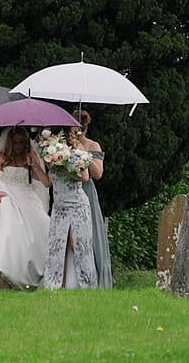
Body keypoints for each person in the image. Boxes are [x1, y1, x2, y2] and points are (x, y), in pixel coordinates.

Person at [0, 126, 52, 288]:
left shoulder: (30, 158)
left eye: (21, 142)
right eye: (15, 142)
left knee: (43, 228)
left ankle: (28, 276)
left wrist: (35, 165)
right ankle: (5, 279)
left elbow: (46, 182)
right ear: (10, 142)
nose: (18, 146)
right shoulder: (1, 157)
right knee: (9, 235)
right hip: (7, 196)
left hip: (27, 197)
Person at [41, 124, 99, 289]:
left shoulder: (78, 151)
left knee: (79, 244)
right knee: (57, 244)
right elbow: (48, 181)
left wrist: (64, 165)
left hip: (77, 204)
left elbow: (85, 177)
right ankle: (54, 284)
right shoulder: (51, 153)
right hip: (59, 206)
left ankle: (87, 284)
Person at [73, 109, 113, 288]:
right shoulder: (63, 145)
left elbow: (98, 174)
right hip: (68, 191)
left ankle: (95, 275)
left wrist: (84, 154)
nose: (76, 133)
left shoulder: (93, 145)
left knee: (91, 231)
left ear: (85, 129)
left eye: (79, 130)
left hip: (87, 192)